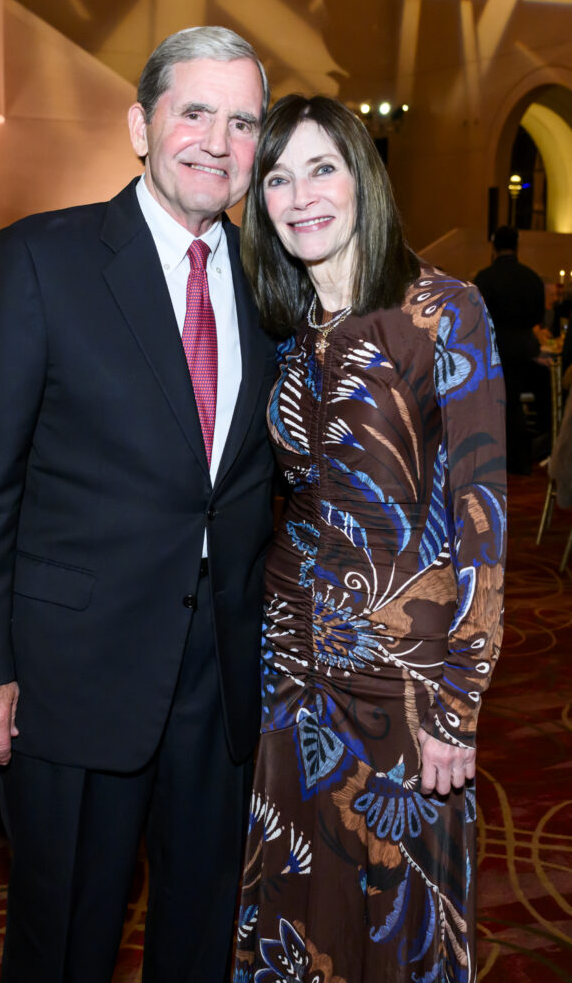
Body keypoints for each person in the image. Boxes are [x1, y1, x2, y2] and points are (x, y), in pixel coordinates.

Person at [0, 26, 276, 983]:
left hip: (220, 674)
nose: (216, 140)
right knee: (66, 935)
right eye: (193, 112)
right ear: (141, 124)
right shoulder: (41, 260)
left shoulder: (269, 283)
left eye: (242, 121)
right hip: (69, 677)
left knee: (202, 929)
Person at [232, 95, 506, 982]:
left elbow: (482, 518)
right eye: (277, 177)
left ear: (363, 180)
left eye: (322, 168)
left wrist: (457, 698)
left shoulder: (441, 310)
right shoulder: (286, 332)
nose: (300, 195)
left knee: (396, 918)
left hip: (405, 683)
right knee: (299, 901)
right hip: (292, 668)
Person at [474, 225, 545, 473]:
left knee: (501, 403)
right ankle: (522, 457)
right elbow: (538, 314)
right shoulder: (532, 278)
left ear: (494, 248)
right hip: (526, 349)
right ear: (517, 246)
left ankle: (498, 458)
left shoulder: (485, 278)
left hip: (494, 348)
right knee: (516, 402)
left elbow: (476, 316)